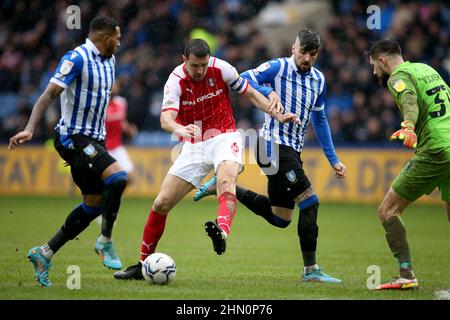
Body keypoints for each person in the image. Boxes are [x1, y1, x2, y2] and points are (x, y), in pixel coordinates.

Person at [114, 38, 299, 280]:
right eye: (194, 66)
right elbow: (165, 119)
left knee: (225, 182)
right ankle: (142, 265)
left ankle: (222, 231)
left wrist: (277, 113)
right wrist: (179, 130)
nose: (199, 70)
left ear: (209, 59)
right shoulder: (175, 80)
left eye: (203, 65)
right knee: (161, 203)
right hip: (194, 145)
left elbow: (251, 94)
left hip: (225, 136)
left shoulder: (222, 69)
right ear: (184, 60)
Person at [194, 29, 346, 283]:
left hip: (291, 151)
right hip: (270, 145)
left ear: (317, 54)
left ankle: (225, 187)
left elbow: (320, 120)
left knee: (280, 217)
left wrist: (334, 159)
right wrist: (267, 91)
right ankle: (311, 270)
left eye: (312, 53)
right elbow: (241, 79)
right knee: (310, 201)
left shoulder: (319, 80)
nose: (306, 57)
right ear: (293, 49)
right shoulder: (278, 68)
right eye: (303, 51)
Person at [8, 16, 126, 287]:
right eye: (117, 38)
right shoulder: (77, 59)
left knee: (93, 205)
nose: (120, 43)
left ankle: (44, 253)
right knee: (118, 178)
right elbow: (48, 94)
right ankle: (105, 241)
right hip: (73, 138)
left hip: (96, 140)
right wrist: (30, 127)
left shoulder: (110, 61)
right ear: (105, 38)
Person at [368, 39, 450, 290]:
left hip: (435, 148)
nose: (374, 72)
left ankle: (406, 274)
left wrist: (408, 126)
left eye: (374, 65)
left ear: (383, 60)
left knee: (387, 211)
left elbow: (409, 101)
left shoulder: (398, 76)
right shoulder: (428, 70)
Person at [105, 79, 137, 183]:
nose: (114, 88)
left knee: (130, 176)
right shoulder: (101, 104)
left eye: (116, 86)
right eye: (112, 86)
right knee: (105, 178)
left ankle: (114, 196)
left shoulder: (121, 102)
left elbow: (122, 120)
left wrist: (129, 129)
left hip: (117, 146)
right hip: (103, 148)